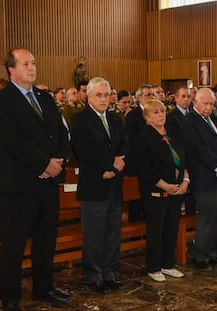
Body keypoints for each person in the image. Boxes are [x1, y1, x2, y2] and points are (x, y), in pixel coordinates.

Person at [0, 48, 70, 311]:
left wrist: (56, 162)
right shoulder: (2, 101)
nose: (32, 68)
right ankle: (11, 297)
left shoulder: (44, 98)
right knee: (14, 244)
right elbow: (11, 141)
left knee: (46, 240)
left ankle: (43, 288)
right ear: (11, 69)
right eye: (26, 64)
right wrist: (43, 163)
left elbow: (60, 133)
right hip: (17, 186)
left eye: (34, 63)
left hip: (46, 183)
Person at [70, 77, 127, 294]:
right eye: (98, 95)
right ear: (89, 97)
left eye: (106, 95)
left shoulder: (115, 118)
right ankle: (93, 275)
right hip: (94, 184)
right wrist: (111, 164)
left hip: (114, 184)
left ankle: (109, 272)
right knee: (94, 235)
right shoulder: (80, 120)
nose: (104, 99)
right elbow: (85, 150)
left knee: (113, 232)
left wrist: (117, 165)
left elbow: (124, 144)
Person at [135, 99, 188, 282]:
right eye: (155, 112)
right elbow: (145, 167)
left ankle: (168, 264)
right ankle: (154, 267)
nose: (160, 115)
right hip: (156, 189)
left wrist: (185, 180)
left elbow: (183, 158)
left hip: (176, 188)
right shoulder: (144, 137)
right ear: (147, 118)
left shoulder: (173, 133)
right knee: (156, 228)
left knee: (171, 227)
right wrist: (164, 185)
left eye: (162, 111)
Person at [182, 88, 217, 271]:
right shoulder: (189, 122)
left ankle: (212, 252)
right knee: (207, 216)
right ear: (195, 103)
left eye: (211, 104)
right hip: (204, 176)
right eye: (205, 103)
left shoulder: (216, 120)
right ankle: (201, 255)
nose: (209, 107)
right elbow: (197, 149)